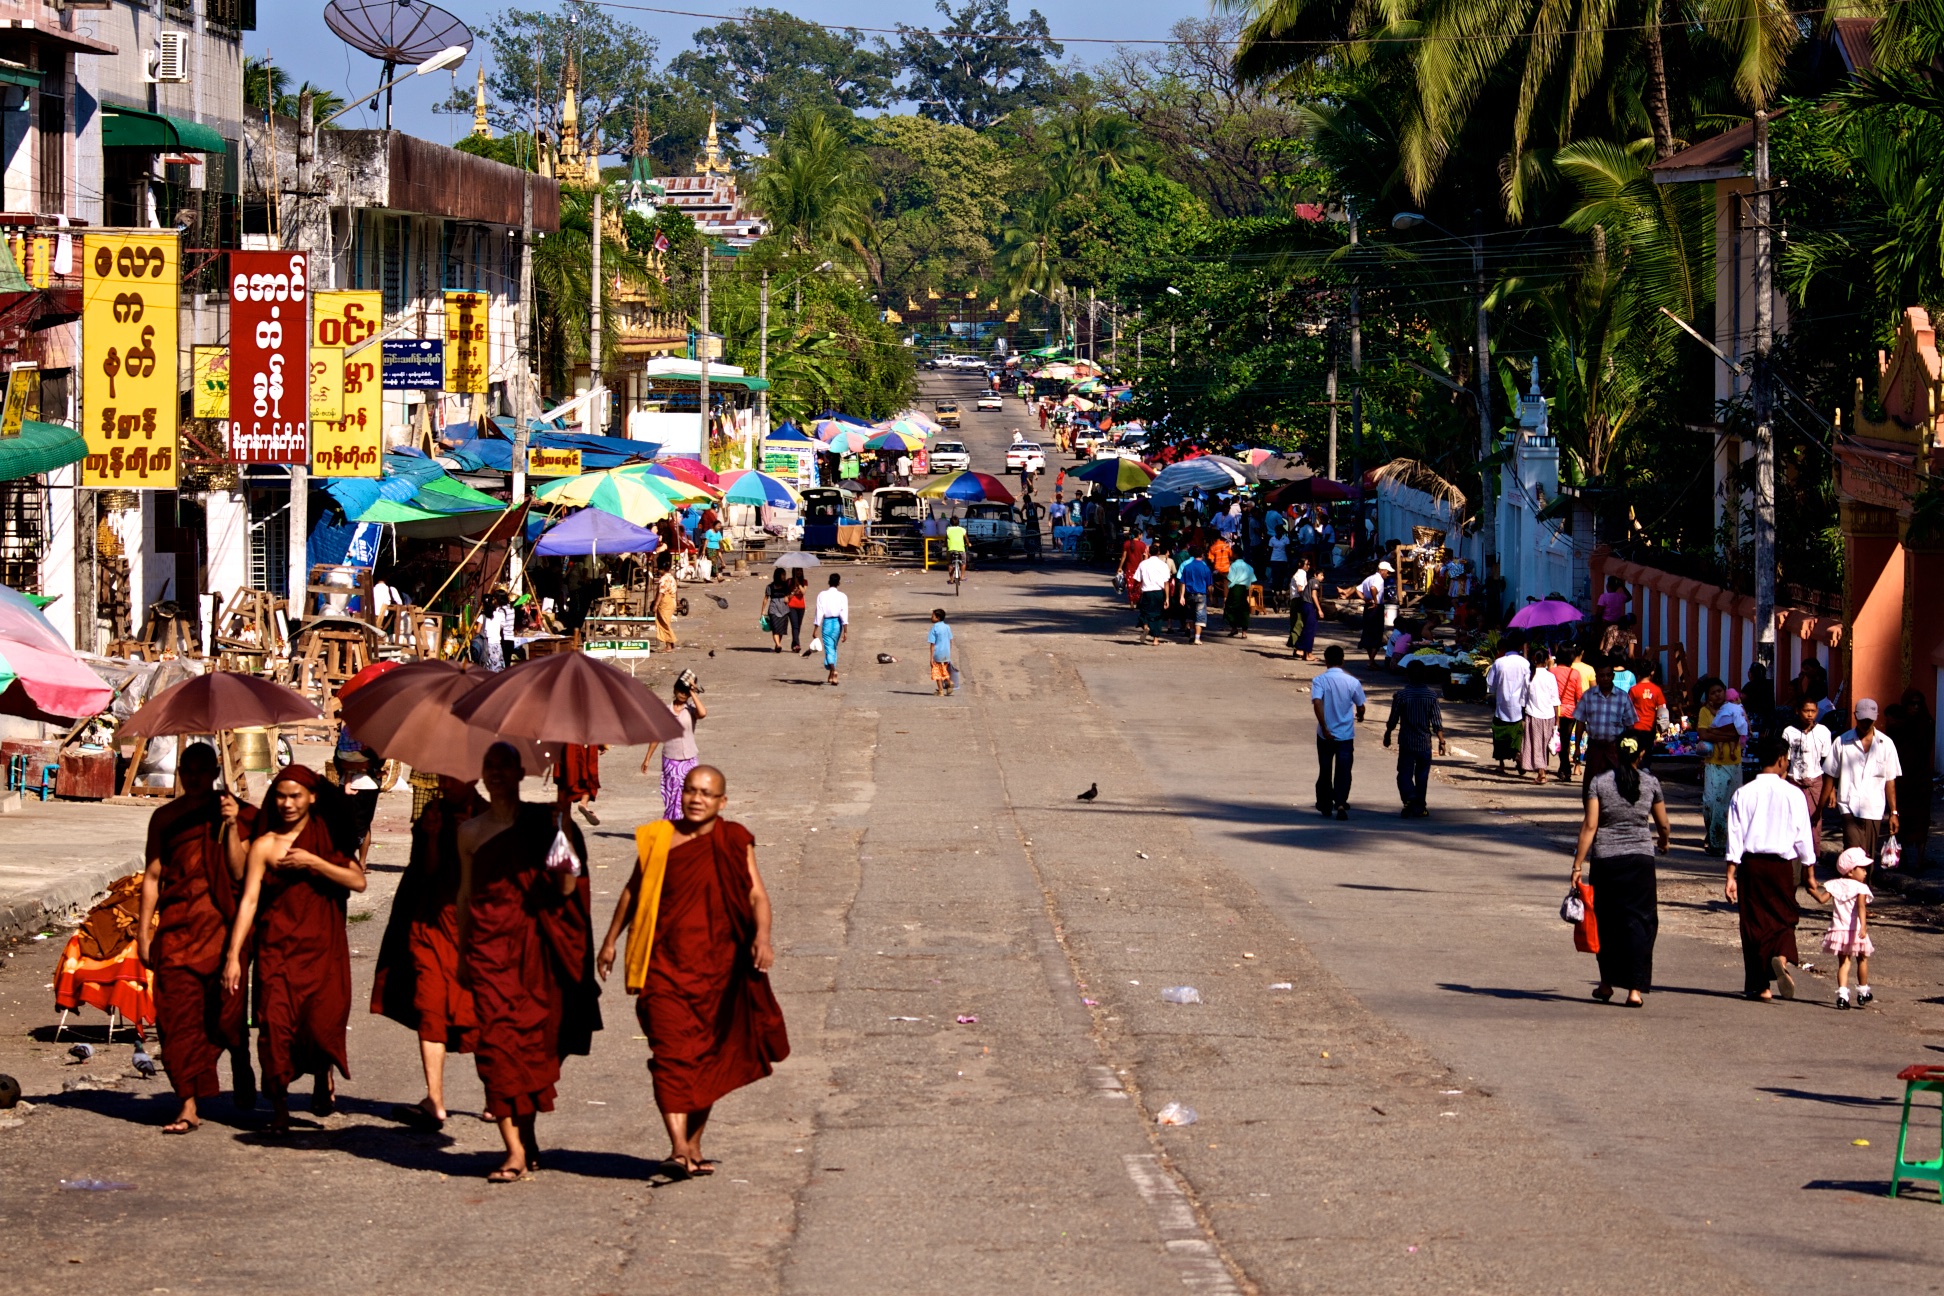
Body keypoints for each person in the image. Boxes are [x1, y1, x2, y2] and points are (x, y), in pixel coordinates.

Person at [597, 765, 788, 1178]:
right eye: (690, 791)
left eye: (707, 793)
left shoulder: (734, 839)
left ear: (722, 802)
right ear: (680, 794)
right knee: (669, 1054)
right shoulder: (658, 839)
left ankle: (694, 1145)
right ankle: (678, 1145)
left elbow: (756, 893)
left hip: (720, 970)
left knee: (707, 1058)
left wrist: (764, 937)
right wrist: (611, 940)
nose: (696, 799)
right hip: (663, 968)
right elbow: (632, 890)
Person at [458, 742, 600, 1183]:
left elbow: (564, 891)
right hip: (490, 954)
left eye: (505, 765)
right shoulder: (469, 832)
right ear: (481, 774)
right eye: (489, 765)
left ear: (521, 773)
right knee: (496, 1048)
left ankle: (528, 1136)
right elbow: (466, 896)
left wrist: (564, 836)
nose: (496, 772)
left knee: (534, 1048)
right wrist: (463, 953)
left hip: (537, 954)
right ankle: (513, 1151)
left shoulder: (545, 822)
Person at [221, 765, 364, 1134]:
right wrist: (234, 955)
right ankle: (280, 1109)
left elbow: (358, 880)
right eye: (281, 796)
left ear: (312, 798)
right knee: (275, 1028)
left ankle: (321, 1075)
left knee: (320, 1023)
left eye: (295, 796)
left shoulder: (325, 838)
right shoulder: (265, 845)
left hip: (322, 949)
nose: (287, 803)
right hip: (277, 952)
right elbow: (249, 900)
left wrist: (313, 862)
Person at [136, 742, 254, 1133]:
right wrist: (143, 932)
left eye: (203, 770)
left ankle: (239, 1055)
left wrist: (233, 824)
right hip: (177, 930)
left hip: (223, 933)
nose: (194, 777)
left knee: (226, 1013)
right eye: (188, 770)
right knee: (175, 1019)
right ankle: (186, 1104)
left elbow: (240, 876)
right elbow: (153, 877)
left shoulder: (235, 813)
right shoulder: (165, 817)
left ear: (216, 770)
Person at [370, 773, 486, 1129]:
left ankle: (495, 1094)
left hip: (475, 930)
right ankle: (434, 1098)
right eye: (443, 777)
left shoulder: (489, 816)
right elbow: (426, 870)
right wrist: (433, 836)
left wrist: (473, 838)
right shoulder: (431, 813)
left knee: (482, 1012)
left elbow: (493, 877)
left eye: (453, 778)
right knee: (431, 1005)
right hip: (432, 926)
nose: (445, 783)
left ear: (473, 777)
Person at [1568, 734, 1670, 1006]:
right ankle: (1634, 990)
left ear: (1616, 752)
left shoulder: (1599, 783)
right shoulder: (1650, 783)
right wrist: (1664, 841)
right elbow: (1663, 824)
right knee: (1640, 922)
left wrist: (1578, 865)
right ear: (1641, 754)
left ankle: (1605, 984)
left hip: (1607, 861)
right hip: (1640, 861)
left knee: (1608, 922)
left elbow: (1590, 826)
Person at [1725, 733, 1824, 1001]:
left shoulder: (1743, 793)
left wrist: (1731, 874)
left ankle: (1761, 987)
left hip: (1752, 865)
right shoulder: (1793, 794)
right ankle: (1780, 956)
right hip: (1782, 866)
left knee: (1753, 922)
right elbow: (1804, 835)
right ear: (1781, 760)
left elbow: (1735, 835)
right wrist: (1810, 871)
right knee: (1784, 916)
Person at [1822, 698, 1901, 864]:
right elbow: (1830, 773)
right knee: (1853, 855)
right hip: (1848, 806)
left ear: (1875, 718)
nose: (1866, 723)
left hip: (1874, 808)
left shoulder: (1886, 744)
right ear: (1855, 717)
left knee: (1868, 858)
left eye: (1869, 720)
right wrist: (1827, 796)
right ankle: (1852, 888)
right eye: (1862, 719)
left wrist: (1893, 812)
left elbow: (1890, 781)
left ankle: (1865, 888)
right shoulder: (1842, 742)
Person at [1311, 644, 1367, 820]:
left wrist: (1325, 727)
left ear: (1325, 661)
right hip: (1345, 734)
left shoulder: (1319, 680)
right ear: (1343, 660)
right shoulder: (1352, 682)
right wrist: (1360, 715)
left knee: (1325, 769)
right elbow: (1361, 705)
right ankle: (1341, 803)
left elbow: (1317, 702)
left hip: (1325, 734)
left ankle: (1325, 804)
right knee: (1344, 770)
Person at [1384, 660, 1446, 817]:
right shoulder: (1431, 695)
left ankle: (1410, 798)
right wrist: (1442, 741)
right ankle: (1420, 806)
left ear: (1407, 675)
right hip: (1424, 742)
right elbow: (1436, 721)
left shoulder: (1401, 695)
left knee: (1404, 774)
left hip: (1407, 741)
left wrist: (1388, 733)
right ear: (1424, 675)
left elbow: (1393, 719)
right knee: (1422, 776)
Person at [640, 676, 707, 819]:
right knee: (672, 797)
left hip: (689, 760)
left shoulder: (690, 710)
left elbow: (703, 713)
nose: (683, 694)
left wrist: (693, 691)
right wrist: (647, 758)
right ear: (675, 690)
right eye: (681, 691)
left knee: (688, 795)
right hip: (671, 760)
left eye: (686, 692)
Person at [1696, 680, 1748, 855]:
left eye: (1719, 691)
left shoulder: (1736, 708)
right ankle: (1712, 834)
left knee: (1729, 804)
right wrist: (1728, 733)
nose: (1717, 694)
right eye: (1713, 692)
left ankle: (1719, 843)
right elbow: (1703, 733)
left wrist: (1715, 733)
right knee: (1710, 803)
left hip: (1733, 764)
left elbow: (1741, 730)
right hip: (1713, 764)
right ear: (1708, 696)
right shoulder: (1704, 711)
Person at [1823, 846, 1875, 1009]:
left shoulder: (1834, 885)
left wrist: (1812, 890)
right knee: (1862, 959)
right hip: (1855, 931)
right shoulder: (1861, 888)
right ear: (1851, 871)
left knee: (1844, 963)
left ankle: (1843, 996)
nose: (1866, 872)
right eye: (1863, 869)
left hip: (1839, 930)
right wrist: (1864, 926)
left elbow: (1822, 899)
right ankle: (1863, 991)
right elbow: (1861, 907)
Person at [1886, 687, 1933, 861]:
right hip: (1902, 778)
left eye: (1918, 704)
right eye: (1911, 704)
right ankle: (1903, 855)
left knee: (1921, 819)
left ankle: (1921, 857)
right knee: (1902, 817)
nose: (1915, 707)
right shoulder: (1897, 725)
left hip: (1920, 778)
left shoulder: (1926, 723)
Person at [1783, 695, 1835, 844]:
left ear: (1817, 712)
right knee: (1794, 819)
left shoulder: (1823, 732)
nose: (1810, 715)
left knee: (1814, 819)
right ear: (1798, 711)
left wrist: (1831, 790)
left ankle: (1813, 855)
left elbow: (1827, 763)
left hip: (1816, 782)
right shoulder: (1789, 732)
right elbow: (1785, 761)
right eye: (1806, 711)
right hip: (1795, 780)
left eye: (1813, 711)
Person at [1577, 661, 1633, 785]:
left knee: (1615, 787)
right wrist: (1577, 748)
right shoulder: (1588, 696)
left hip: (1614, 749)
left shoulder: (1623, 697)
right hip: (1594, 747)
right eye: (1602, 676)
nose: (1605, 678)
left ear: (1612, 676)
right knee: (1591, 786)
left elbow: (1630, 725)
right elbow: (1580, 721)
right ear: (1597, 677)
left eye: (1608, 675)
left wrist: (1629, 749)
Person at [1485, 637, 1532, 774]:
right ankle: (1517, 755)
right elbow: (1529, 684)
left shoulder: (1499, 663)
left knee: (1499, 733)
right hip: (1519, 706)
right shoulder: (1525, 663)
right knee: (1517, 733)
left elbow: (1491, 684)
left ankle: (1501, 764)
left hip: (1501, 704)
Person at [1522, 645, 1561, 786]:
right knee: (1543, 745)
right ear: (1546, 660)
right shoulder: (1550, 676)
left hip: (1533, 715)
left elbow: (1523, 699)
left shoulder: (1528, 676)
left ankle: (1542, 773)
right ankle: (1542, 770)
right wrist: (1557, 719)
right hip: (1548, 715)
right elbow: (1555, 699)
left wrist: (1522, 717)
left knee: (1537, 744)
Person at [1338, 562, 1391, 664]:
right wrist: (1375, 601)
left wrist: (1365, 599)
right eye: (1387, 572)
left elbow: (1357, 589)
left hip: (1368, 607)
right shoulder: (1379, 579)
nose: (1387, 575)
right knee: (1377, 633)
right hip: (1376, 607)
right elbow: (1373, 588)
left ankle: (1371, 660)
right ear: (1382, 571)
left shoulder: (1369, 578)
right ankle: (1371, 661)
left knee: (1368, 632)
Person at [1553, 644, 1588, 781]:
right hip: (1570, 711)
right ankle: (1565, 768)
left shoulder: (1552, 671)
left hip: (1554, 711)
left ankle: (1557, 767)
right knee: (1565, 741)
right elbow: (1578, 696)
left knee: (1553, 740)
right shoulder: (1575, 674)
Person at [1133, 545, 1173, 645]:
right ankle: (1156, 639)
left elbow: (1137, 579)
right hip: (1158, 592)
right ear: (1158, 553)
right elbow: (1166, 582)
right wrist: (1167, 598)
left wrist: (1134, 590)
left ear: (1149, 552)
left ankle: (1146, 626)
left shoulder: (1143, 564)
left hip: (1146, 592)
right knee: (1158, 615)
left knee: (1144, 612)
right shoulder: (1163, 565)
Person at [816, 572, 849, 686]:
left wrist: (815, 628)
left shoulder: (822, 595)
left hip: (827, 623)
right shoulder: (842, 596)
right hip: (838, 624)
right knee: (833, 647)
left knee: (829, 648)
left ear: (829, 582)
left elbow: (819, 613)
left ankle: (834, 670)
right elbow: (844, 614)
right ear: (838, 583)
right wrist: (845, 631)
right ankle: (831, 675)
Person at [555, 744, 602, 827]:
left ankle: (563, 818)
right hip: (586, 740)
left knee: (565, 775)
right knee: (587, 772)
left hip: (565, 740)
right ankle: (584, 803)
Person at [1176, 547, 1212, 644]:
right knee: (1200, 616)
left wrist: (1182, 596)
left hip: (1189, 594)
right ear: (1202, 555)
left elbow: (1182, 582)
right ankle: (1197, 638)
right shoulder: (1205, 568)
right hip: (1201, 594)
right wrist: (1211, 596)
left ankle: (1192, 635)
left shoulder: (1187, 567)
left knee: (1191, 615)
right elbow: (1209, 585)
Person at [1288, 556, 1320, 660]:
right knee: (1299, 624)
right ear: (1301, 564)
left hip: (1297, 599)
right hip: (1299, 599)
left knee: (1299, 624)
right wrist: (1306, 599)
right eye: (1307, 564)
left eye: (1309, 564)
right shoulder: (1301, 573)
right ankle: (1298, 648)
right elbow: (1300, 589)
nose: (1308, 566)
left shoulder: (1301, 573)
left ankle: (1298, 649)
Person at [1223, 553, 1257, 638]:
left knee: (1230, 608)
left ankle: (1234, 628)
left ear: (1236, 555)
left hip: (1235, 589)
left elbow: (1229, 578)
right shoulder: (1248, 566)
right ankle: (1244, 632)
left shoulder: (1234, 565)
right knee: (1243, 609)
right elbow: (1253, 579)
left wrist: (1225, 595)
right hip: (1244, 589)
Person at [653, 556, 680, 651]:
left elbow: (661, 592)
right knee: (666, 622)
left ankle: (669, 644)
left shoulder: (664, 579)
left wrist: (656, 605)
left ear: (662, 569)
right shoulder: (671, 577)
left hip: (665, 602)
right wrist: (677, 600)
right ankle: (670, 643)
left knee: (663, 624)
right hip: (671, 601)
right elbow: (676, 590)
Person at [928, 608, 956, 695]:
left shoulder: (934, 628)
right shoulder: (947, 627)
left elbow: (932, 644)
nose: (931, 618)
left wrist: (931, 658)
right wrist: (948, 651)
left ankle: (940, 690)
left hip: (938, 654)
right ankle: (948, 681)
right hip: (946, 653)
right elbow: (950, 640)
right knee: (943, 669)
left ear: (938, 618)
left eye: (933, 616)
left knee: (937, 672)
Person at [763, 568, 793, 654]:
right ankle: (778, 645)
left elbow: (788, 596)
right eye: (782, 575)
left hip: (784, 609)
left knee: (781, 629)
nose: (784, 576)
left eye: (784, 574)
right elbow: (765, 599)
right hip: (773, 608)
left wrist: (791, 595)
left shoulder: (786, 586)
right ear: (777, 576)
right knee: (775, 628)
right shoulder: (770, 587)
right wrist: (762, 611)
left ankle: (777, 645)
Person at [785, 569, 809, 654]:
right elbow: (787, 596)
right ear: (794, 572)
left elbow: (803, 592)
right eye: (797, 571)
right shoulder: (789, 581)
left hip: (801, 607)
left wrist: (798, 584)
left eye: (800, 571)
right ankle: (797, 644)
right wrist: (793, 592)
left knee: (798, 626)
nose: (799, 573)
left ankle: (794, 644)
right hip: (792, 606)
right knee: (794, 625)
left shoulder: (805, 581)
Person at [945, 516, 969, 583]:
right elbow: (966, 539)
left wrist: (944, 545)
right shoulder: (962, 529)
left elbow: (946, 539)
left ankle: (951, 579)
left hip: (951, 549)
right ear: (958, 522)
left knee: (950, 564)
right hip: (961, 549)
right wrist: (968, 543)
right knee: (963, 562)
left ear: (950, 522)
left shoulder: (948, 529)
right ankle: (962, 577)